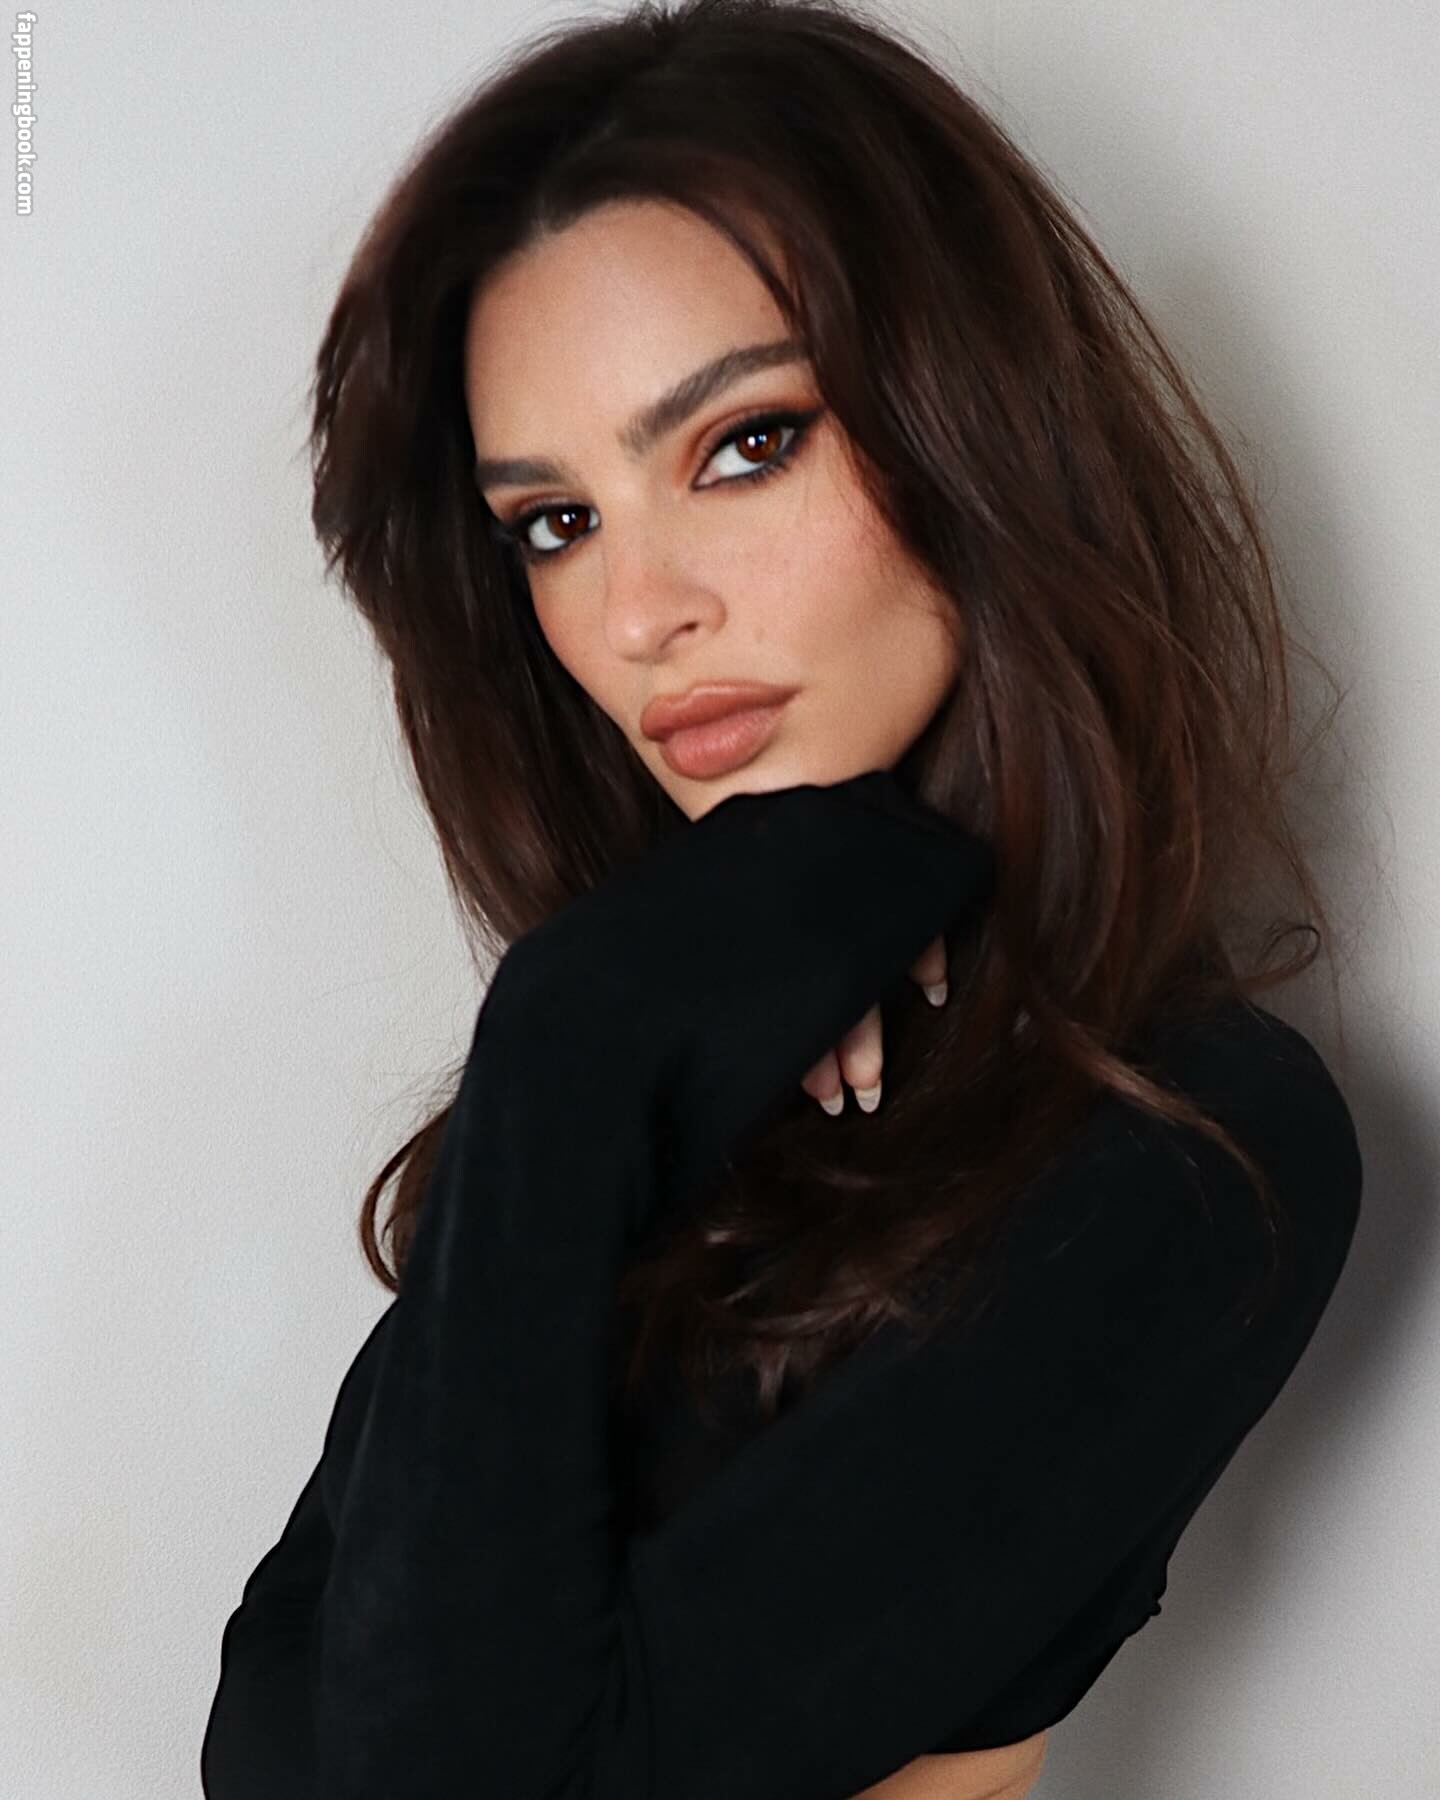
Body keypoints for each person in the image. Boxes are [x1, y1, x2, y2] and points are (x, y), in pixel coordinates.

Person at [200, 2, 1362, 1796]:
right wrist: (615, 1036)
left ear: (976, 430)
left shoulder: (1193, 1152)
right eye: (554, 523)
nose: (637, 613)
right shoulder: (668, 1060)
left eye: (743, 445)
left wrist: (568, 1034)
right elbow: (265, 1732)